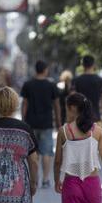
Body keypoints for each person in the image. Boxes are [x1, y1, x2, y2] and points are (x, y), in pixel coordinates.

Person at [21, 60, 61, 188]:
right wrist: (59, 122)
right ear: (45, 70)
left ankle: (34, 178)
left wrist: (23, 120)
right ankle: (45, 179)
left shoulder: (28, 85)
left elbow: (25, 103)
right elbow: (56, 105)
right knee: (47, 152)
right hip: (46, 123)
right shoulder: (51, 85)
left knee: (33, 152)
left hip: (31, 123)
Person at [71, 55, 102, 126]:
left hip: (79, 120)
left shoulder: (75, 81)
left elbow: (72, 101)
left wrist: (71, 119)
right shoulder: (100, 81)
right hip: (96, 119)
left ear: (82, 65)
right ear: (93, 65)